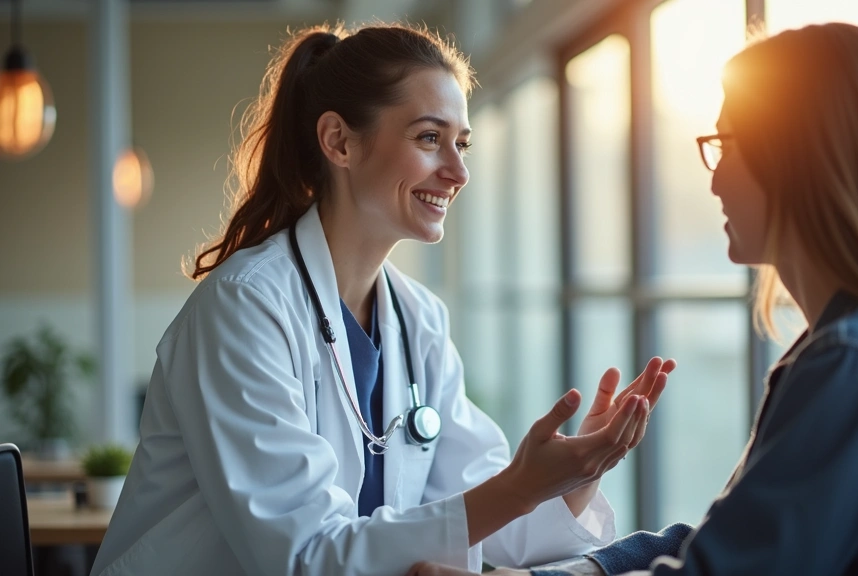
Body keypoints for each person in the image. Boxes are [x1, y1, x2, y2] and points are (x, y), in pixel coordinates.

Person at [409, 21, 858, 576]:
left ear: (799, 159)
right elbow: (728, 538)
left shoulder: (857, 365)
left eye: (728, 144)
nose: (714, 179)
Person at [89, 23, 678, 576]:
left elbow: (486, 520)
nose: (458, 172)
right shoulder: (244, 308)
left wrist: (575, 472)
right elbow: (305, 555)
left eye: (462, 145)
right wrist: (520, 486)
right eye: (429, 138)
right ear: (339, 142)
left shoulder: (418, 319)